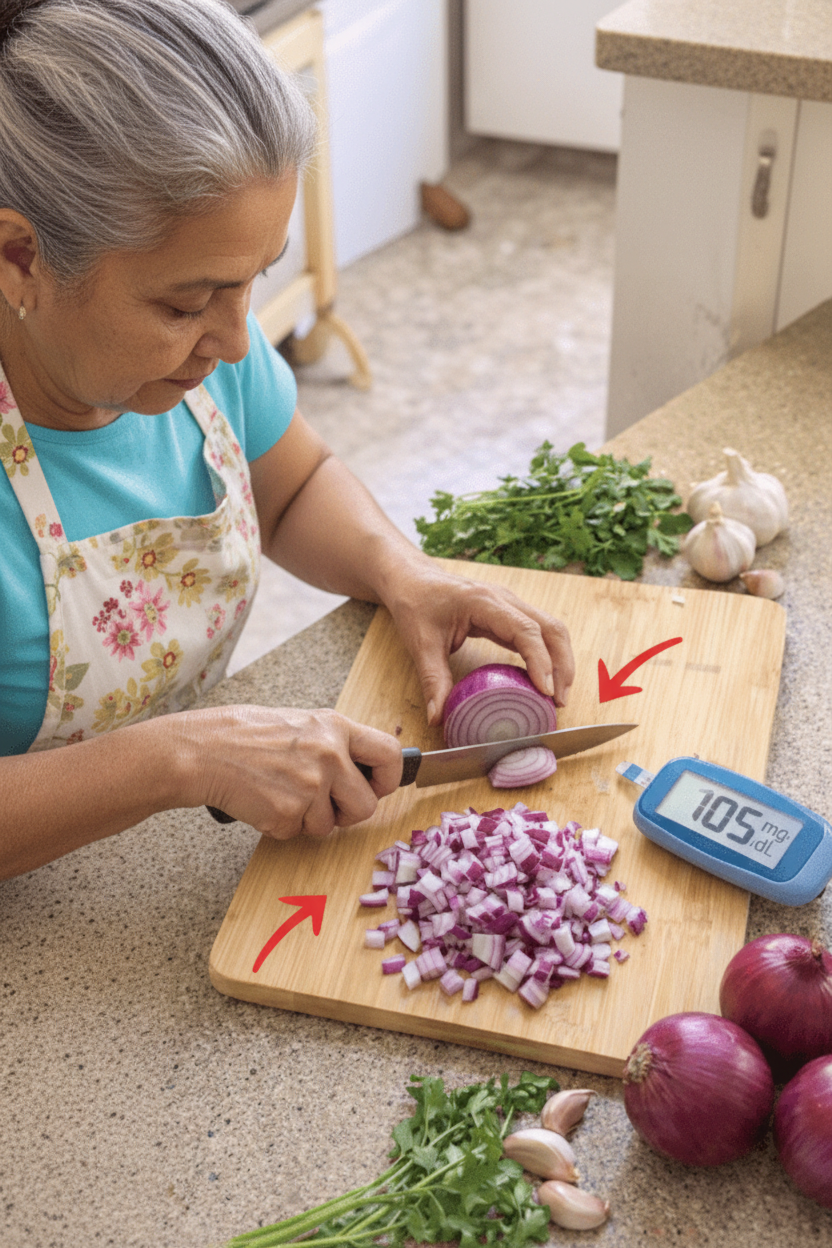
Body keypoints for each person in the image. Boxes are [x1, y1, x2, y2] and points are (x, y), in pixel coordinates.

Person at [0, 0, 574, 880]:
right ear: (19, 258)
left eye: (255, 280)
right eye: (186, 304)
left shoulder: (203, 361)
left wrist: (401, 572)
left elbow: (295, 485)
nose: (237, 339)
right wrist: (180, 759)